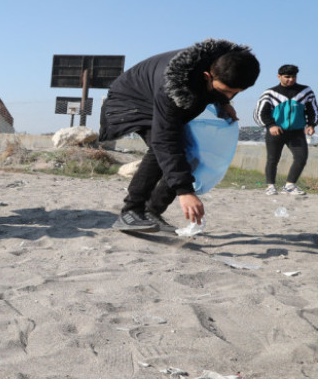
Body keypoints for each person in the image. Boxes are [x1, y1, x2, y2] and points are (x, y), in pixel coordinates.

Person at [98, 38, 260, 233]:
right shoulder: (174, 84)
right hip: (130, 102)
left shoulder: (227, 64)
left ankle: (152, 211)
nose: (230, 96)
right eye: (225, 92)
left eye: (236, 93)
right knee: (167, 148)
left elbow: (221, 91)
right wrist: (185, 191)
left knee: (192, 152)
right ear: (208, 75)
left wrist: (223, 103)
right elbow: (164, 139)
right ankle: (131, 211)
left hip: (157, 96)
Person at [253, 64, 316, 196]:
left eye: (293, 77)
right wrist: (271, 126)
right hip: (276, 132)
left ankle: (289, 185)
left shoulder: (305, 92)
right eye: (287, 77)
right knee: (273, 159)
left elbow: (313, 110)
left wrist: (311, 124)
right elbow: (259, 113)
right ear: (279, 77)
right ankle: (270, 186)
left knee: (301, 158)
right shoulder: (270, 93)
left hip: (297, 132)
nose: (291, 79)